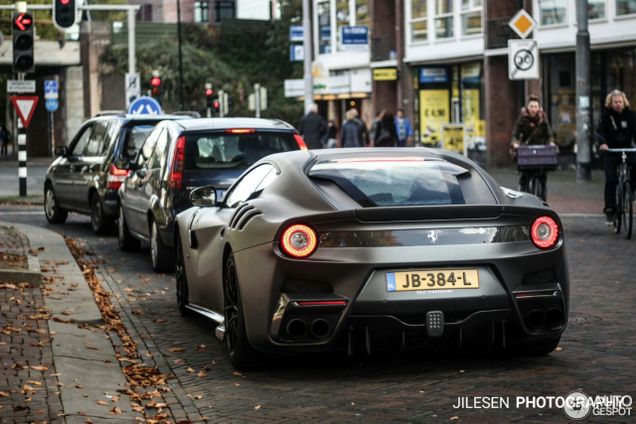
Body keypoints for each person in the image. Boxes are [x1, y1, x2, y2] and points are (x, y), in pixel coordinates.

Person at [596, 89, 636, 224]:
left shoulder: (631, 116)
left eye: (620, 102)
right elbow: (600, 132)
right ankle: (610, 210)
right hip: (611, 151)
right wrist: (603, 144)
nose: (618, 104)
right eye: (615, 102)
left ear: (624, 102)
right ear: (611, 103)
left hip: (627, 149)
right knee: (611, 180)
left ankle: (632, 190)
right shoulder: (606, 116)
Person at [510, 95, 555, 192]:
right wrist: (515, 143)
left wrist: (551, 143)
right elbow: (515, 135)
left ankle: (543, 198)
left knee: (542, 177)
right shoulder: (522, 118)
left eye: (535, 107)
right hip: (526, 151)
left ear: (539, 108)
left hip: (541, 151)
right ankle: (522, 192)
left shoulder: (543, 118)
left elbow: (549, 134)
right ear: (527, 107)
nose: (534, 109)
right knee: (525, 176)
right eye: (531, 106)